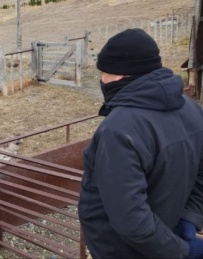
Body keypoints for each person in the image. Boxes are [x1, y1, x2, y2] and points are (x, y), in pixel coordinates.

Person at [78, 28, 203, 258]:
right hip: (167, 235)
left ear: (122, 75)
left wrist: (182, 252)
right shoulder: (192, 108)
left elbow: (131, 219)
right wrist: (189, 217)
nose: (100, 79)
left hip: (124, 250)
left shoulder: (118, 130)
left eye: (104, 72)